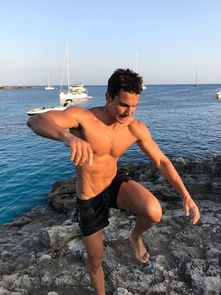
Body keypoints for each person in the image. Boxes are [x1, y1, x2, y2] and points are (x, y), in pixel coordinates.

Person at [27, 68, 200, 295]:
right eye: (123, 105)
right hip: (89, 198)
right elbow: (36, 120)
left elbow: (161, 161)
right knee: (95, 260)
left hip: (115, 184)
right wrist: (66, 136)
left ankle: (135, 237)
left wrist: (186, 195)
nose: (129, 113)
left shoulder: (134, 128)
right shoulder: (83, 118)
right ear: (108, 96)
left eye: (134, 106)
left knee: (154, 211)